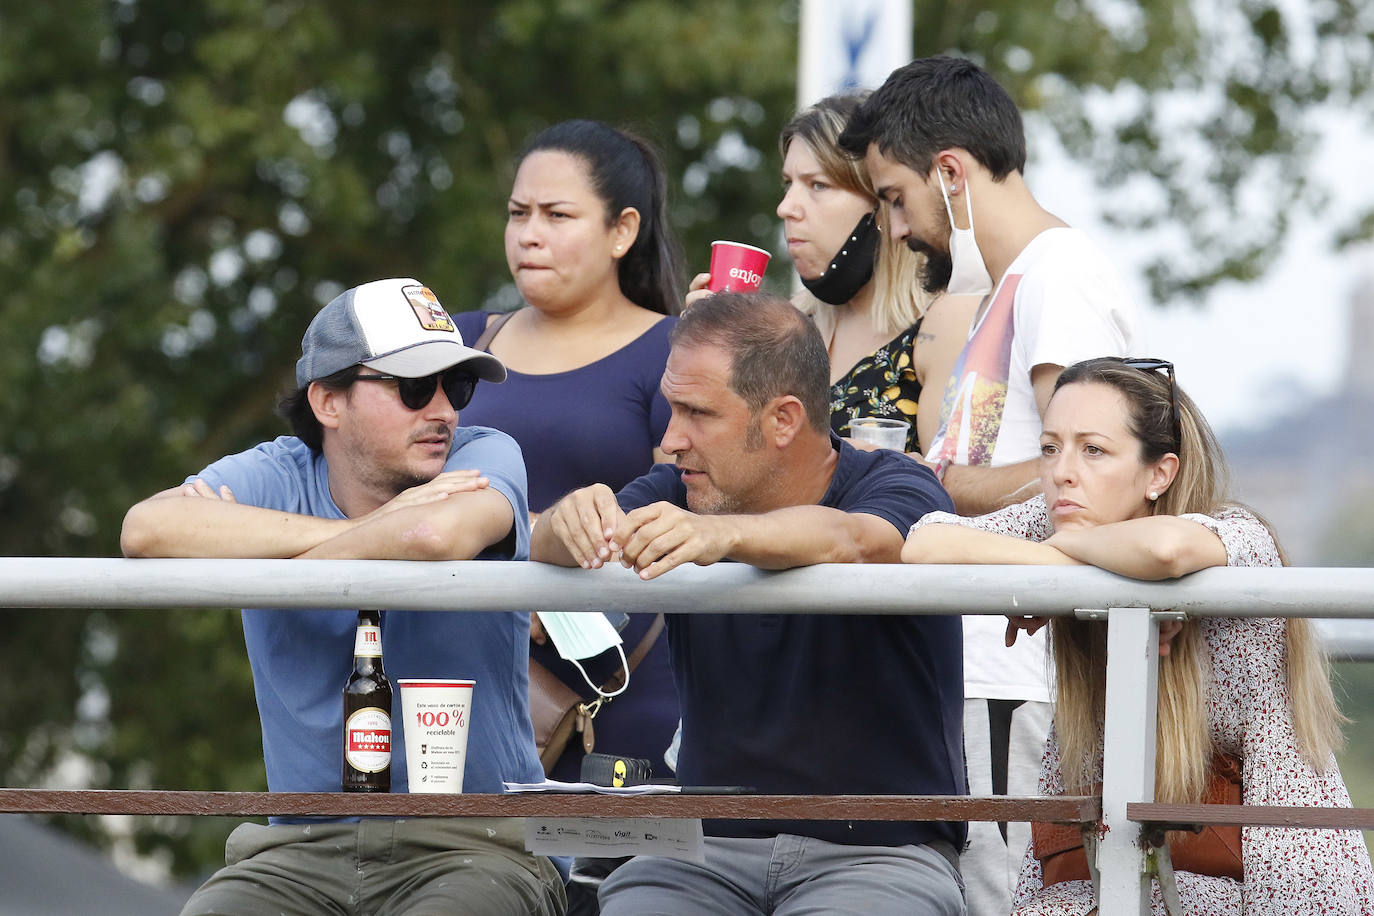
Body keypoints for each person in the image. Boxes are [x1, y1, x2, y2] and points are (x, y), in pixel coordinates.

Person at [121, 277, 565, 916]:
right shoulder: (275, 470)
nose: (443, 410)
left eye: (457, 386)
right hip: (299, 850)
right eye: (415, 387)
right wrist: (366, 532)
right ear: (327, 400)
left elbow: (434, 537)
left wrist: (264, 548)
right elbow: (146, 530)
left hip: (477, 843)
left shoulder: (487, 452)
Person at [532, 292, 966, 916]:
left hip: (881, 852)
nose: (670, 438)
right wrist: (564, 523)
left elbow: (858, 541)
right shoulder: (678, 490)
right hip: (700, 850)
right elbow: (557, 544)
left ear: (784, 419)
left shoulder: (895, 481)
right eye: (670, 407)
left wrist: (724, 537)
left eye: (697, 412)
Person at [904, 357, 1374, 914]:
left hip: (1267, 861)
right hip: (1108, 851)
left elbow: (1165, 550)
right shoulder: (1065, 522)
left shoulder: (1241, 537)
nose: (1061, 472)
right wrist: (1085, 569)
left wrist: (1048, 570)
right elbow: (926, 543)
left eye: (1093, 449)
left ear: (1160, 473)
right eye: (1051, 447)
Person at [840, 55, 1138, 911]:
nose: (893, 228)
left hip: (1022, 667)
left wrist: (932, 491)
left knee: (1008, 898)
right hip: (992, 663)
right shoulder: (1021, 280)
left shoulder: (1059, 277)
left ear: (951, 173)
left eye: (894, 197)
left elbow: (1091, 479)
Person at [455, 119, 683, 913]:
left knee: (621, 896)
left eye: (557, 216)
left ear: (624, 230)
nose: (529, 236)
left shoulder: (678, 351)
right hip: (467, 693)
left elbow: (686, 497)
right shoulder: (457, 345)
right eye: (518, 214)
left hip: (621, 701)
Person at [688, 93, 977, 454]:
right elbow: (705, 463)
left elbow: (952, 491)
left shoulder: (942, 321)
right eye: (788, 183)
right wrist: (701, 357)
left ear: (884, 202)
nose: (786, 208)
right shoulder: (791, 321)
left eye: (817, 185)